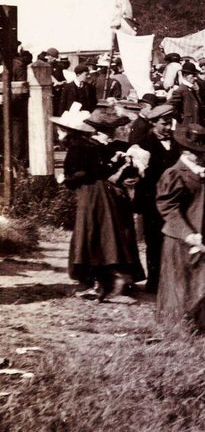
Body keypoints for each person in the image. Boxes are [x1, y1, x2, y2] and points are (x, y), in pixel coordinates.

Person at [56, 105, 143, 301]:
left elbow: (82, 174)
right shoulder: (94, 147)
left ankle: (102, 282)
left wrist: (65, 179)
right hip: (103, 193)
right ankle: (106, 279)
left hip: (93, 195)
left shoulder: (81, 148)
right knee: (104, 234)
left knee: (92, 234)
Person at [155, 124, 205, 330]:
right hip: (182, 233)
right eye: (196, 153)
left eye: (204, 153)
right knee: (183, 282)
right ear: (184, 151)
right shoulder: (173, 174)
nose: (201, 157)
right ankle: (182, 324)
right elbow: (168, 208)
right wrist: (188, 233)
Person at [132, 103, 181, 293]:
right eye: (163, 124)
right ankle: (154, 281)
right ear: (153, 123)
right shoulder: (144, 145)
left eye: (170, 123)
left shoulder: (177, 143)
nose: (168, 127)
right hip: (152, 200)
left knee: (174, 238)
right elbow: (140, 179)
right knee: (154, 241)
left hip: (174, 200)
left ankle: (172, 278)